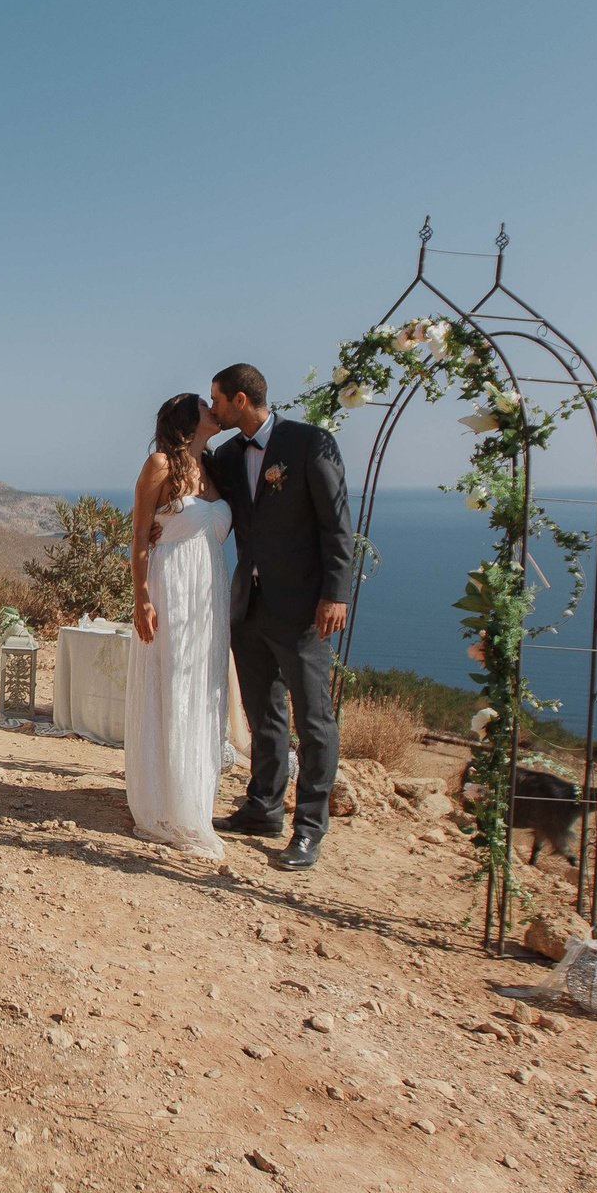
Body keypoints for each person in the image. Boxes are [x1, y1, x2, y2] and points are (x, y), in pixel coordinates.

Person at [205, 362, 354, 870]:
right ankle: (263, 807)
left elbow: (337, 525)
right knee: (262, 710)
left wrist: (335, 594)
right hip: (248, 605)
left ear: (241, 400)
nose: (214, 410)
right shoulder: (226, 454)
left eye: (218, 402)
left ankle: (309, 828)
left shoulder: (310, 443)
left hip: (303, 607)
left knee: (314, 719)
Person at [124, 393, 230, 863]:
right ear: (191, 420)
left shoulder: (214, 467)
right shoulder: (160, 464)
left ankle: (192, 798)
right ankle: (165, 803)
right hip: (170, 589)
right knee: (170, 687)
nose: (216, 410)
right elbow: (140, 535)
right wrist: (142, 597)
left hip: (208, 595)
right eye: (208, 407)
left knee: (199, 689)